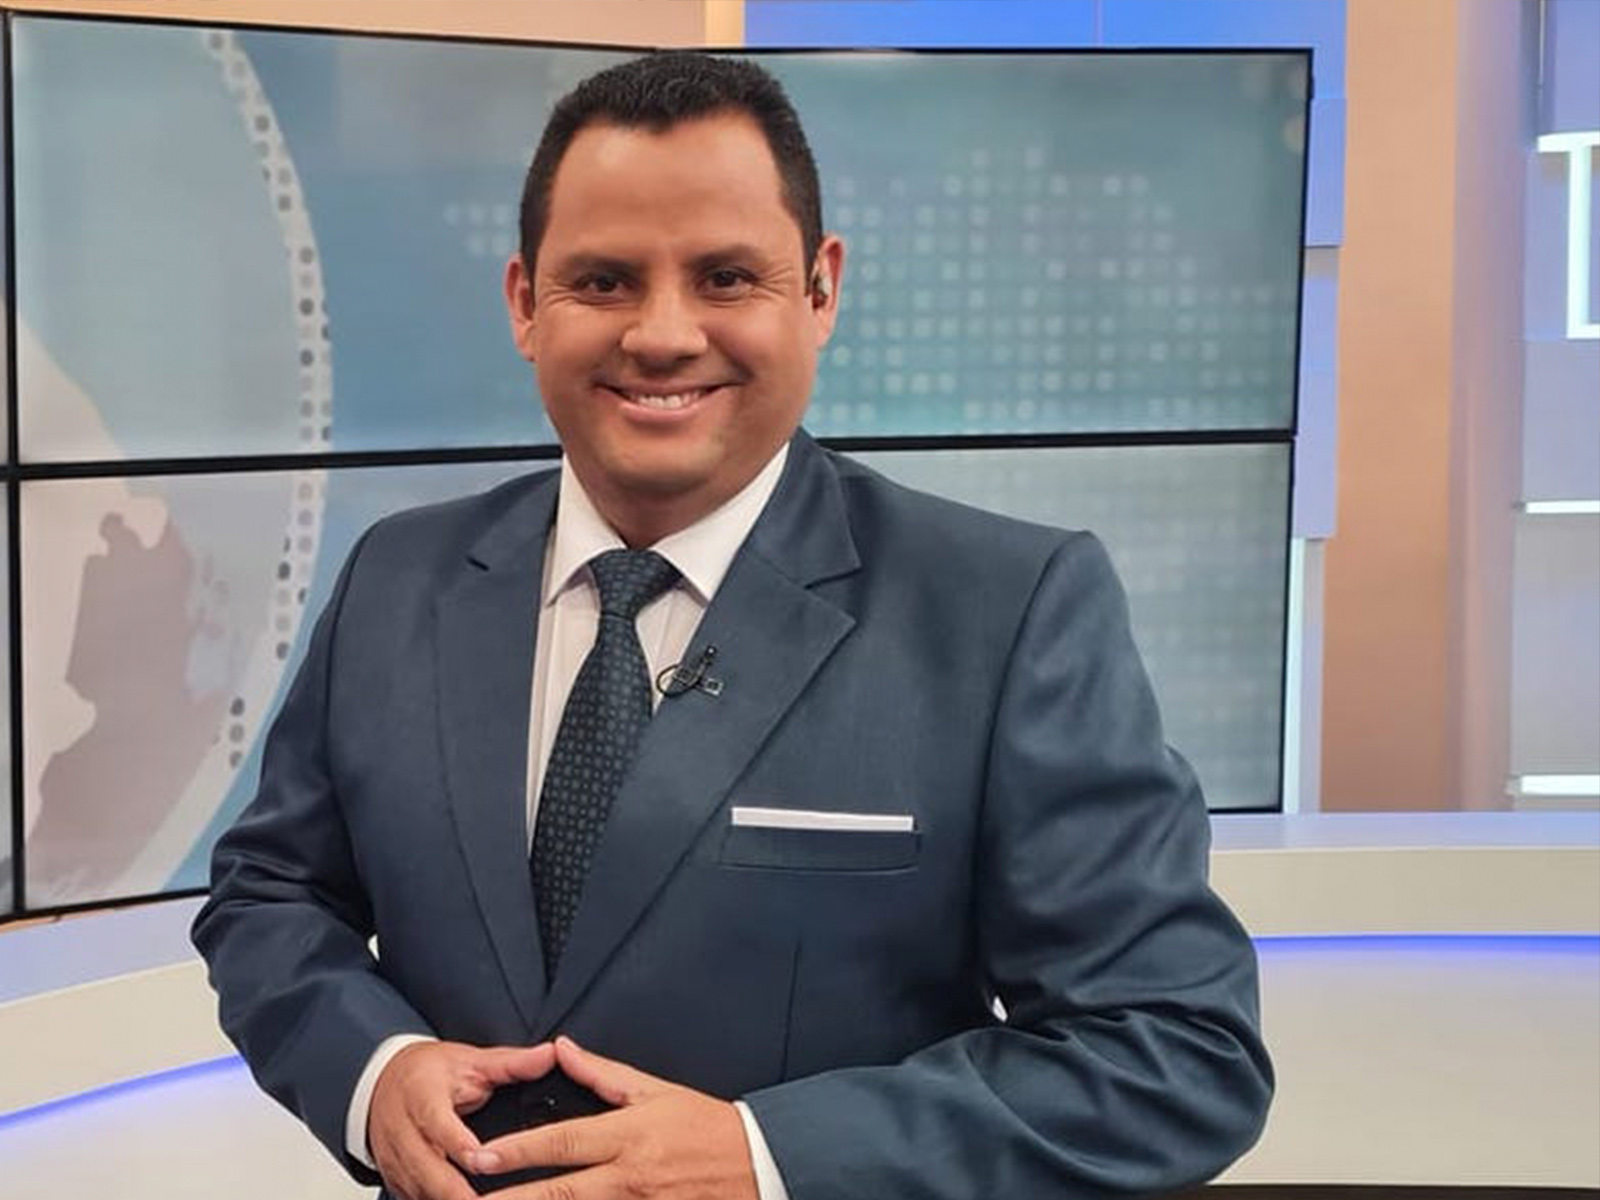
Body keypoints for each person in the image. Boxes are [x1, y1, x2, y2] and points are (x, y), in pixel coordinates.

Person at [194, 51, 1272, 1200]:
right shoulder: (397, 579)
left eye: (724, 277)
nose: (661, 335)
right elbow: (271, 895)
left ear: (820, 292)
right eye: (602, 281)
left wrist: (768, 1160)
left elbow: (1173, 1053)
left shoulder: (1007, 612)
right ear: (524, 303)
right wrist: (373, 1074)